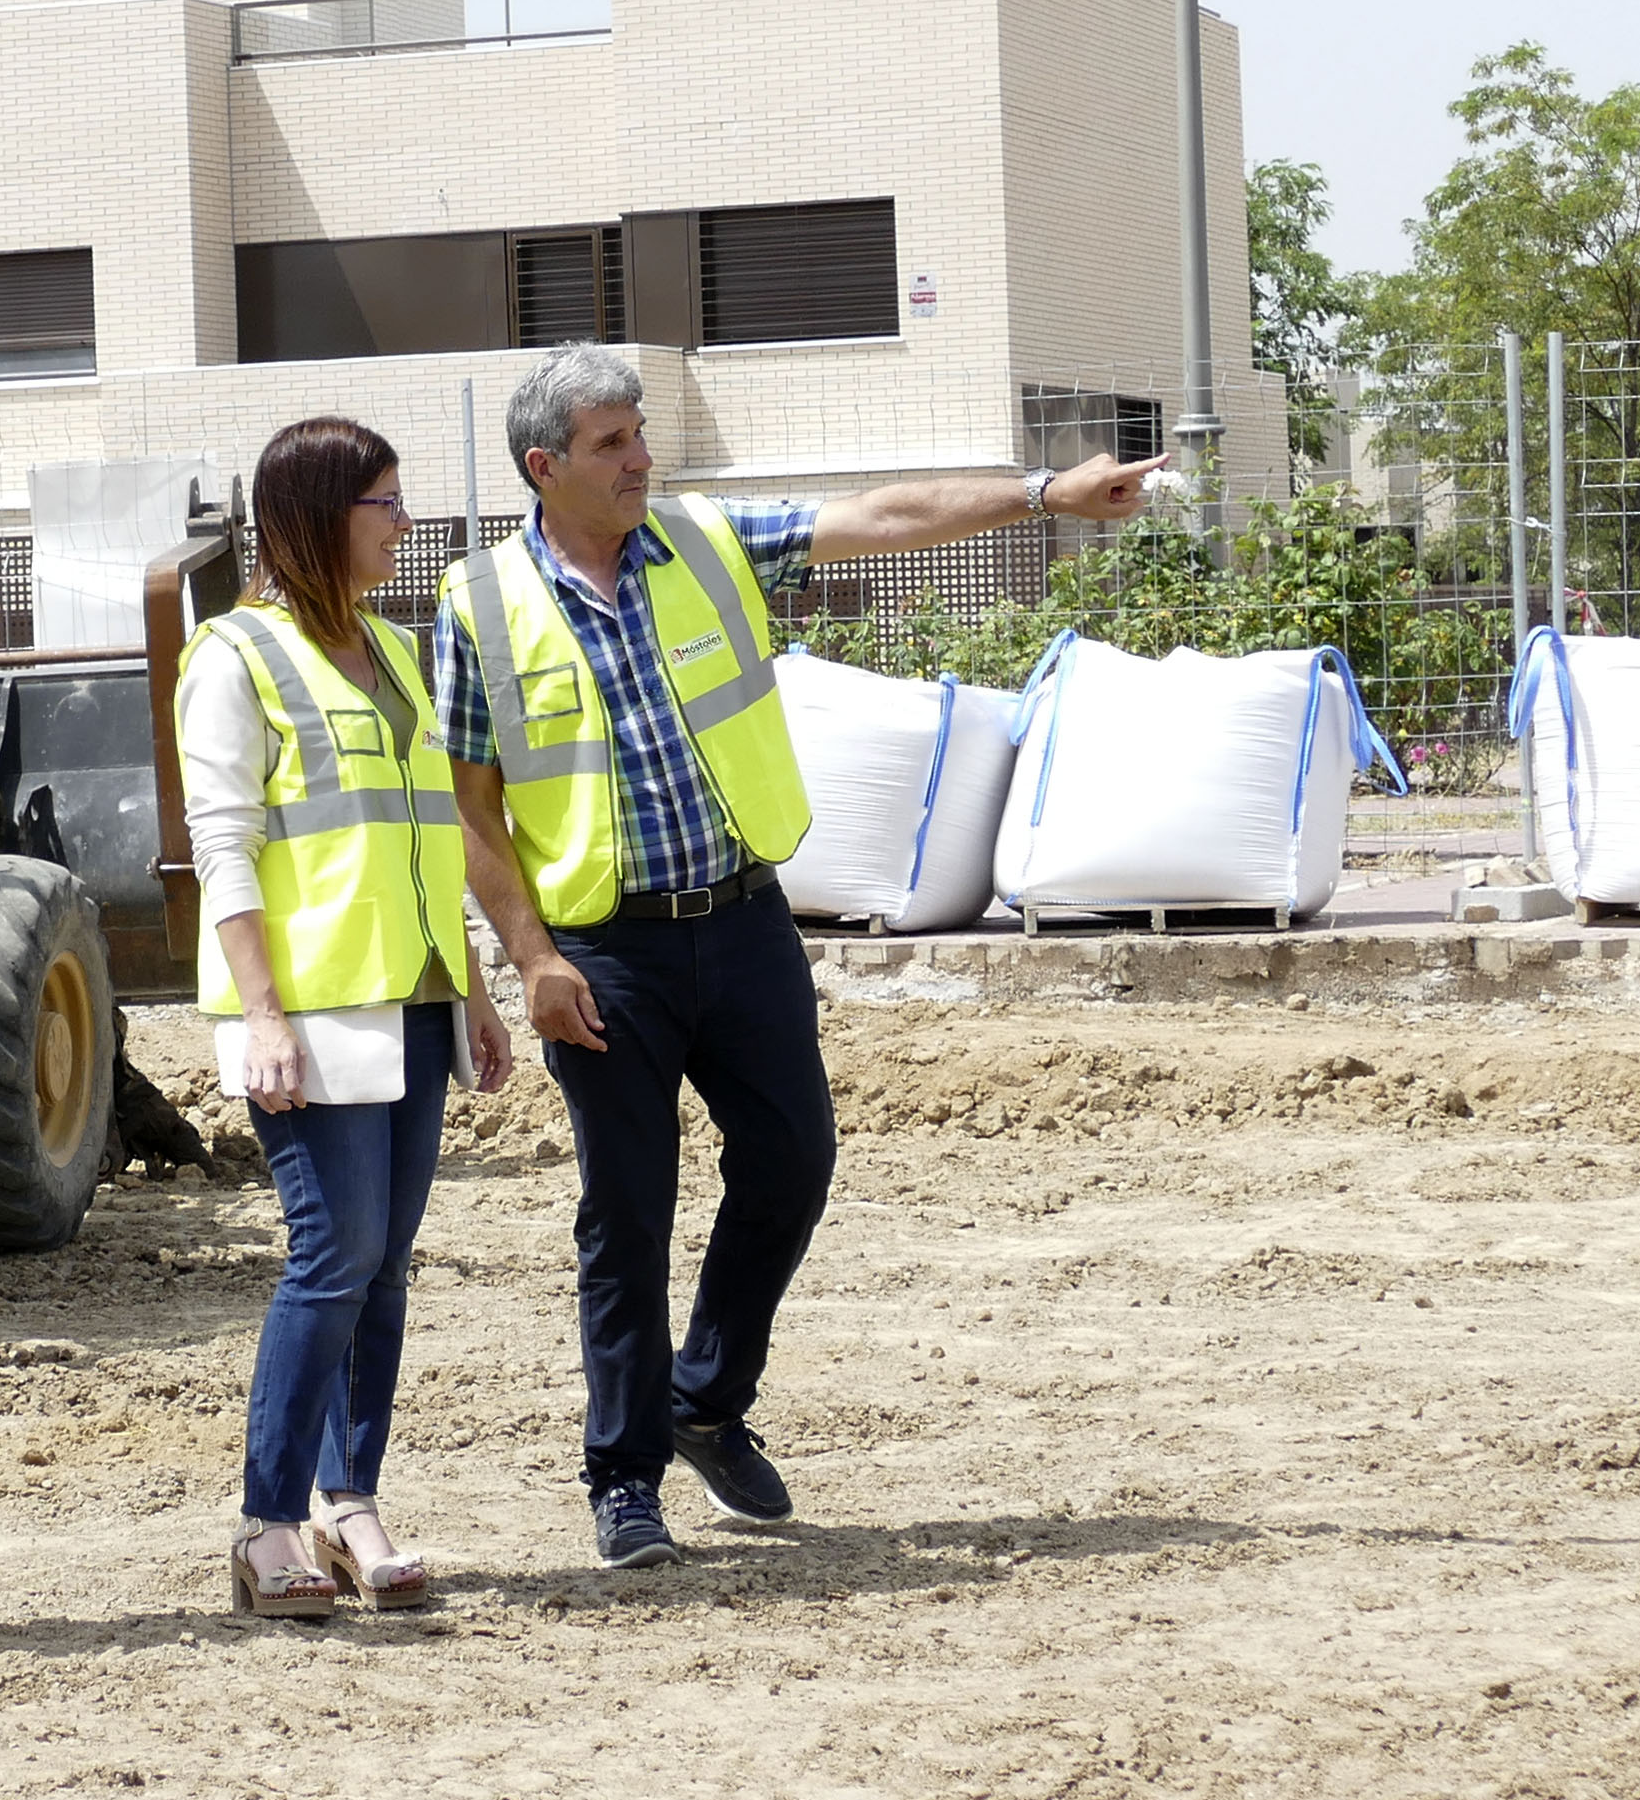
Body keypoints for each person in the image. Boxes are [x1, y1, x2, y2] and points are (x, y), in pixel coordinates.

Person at [437, 343, 1158, 1567]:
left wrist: (1044, 495)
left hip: (744, 922)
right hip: (606, 952)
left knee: (793, 1161)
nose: (642, 458)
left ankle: (705, 1401)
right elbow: (471, 807)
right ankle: (625, 1480)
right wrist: (531, 958)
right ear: (544, 467)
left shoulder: (703, 543)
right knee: (629, 1214)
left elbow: (884, 517)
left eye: (641, 433)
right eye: (614, 443)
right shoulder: (480, 608)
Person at [190, 415, 512, 1614]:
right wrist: (262, 1014)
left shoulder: (396, 649)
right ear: (321, 518)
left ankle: (348, 1504)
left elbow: (427, 835)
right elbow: (224, 845)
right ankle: (268, 1523)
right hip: (312, 1014)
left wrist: (471, 986)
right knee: (333, 1259)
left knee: (383, 1270)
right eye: (386, 503)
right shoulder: (236, 656)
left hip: (413, 999)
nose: (406, 524)